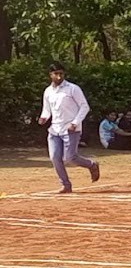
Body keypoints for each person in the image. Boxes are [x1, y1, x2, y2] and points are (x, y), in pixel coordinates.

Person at [39, 62, 99, 193]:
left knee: (70, 158)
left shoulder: (73, 88)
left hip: (71, 128)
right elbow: (47, 109)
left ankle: (92, 165)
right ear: (50, 75)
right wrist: (44, 118)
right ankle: (66, 184)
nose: (59, 77)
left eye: (61, 74)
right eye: (56, 74)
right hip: (55, 129)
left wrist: (75, 122)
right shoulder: (48, 91)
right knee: (55, 157)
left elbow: (84, 106)